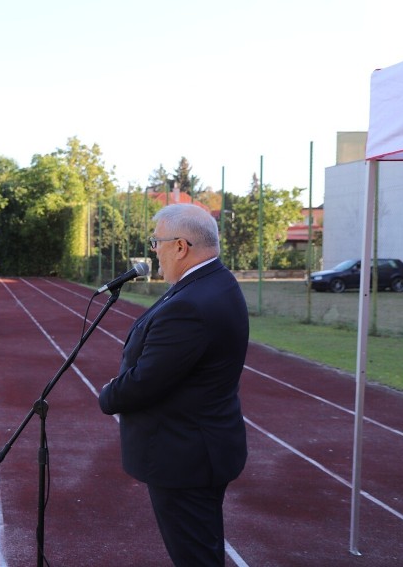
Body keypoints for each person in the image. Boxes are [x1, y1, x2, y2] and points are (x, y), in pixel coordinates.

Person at [98, 204, 249, 567]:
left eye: (157, 242)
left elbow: (147, 381)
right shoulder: (217, 282)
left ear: (180, 246)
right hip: (202, 447)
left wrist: (109, 394)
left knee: (195, 556)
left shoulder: (191, 304)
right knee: (202, 548)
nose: (154, 250)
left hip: (185, 455)